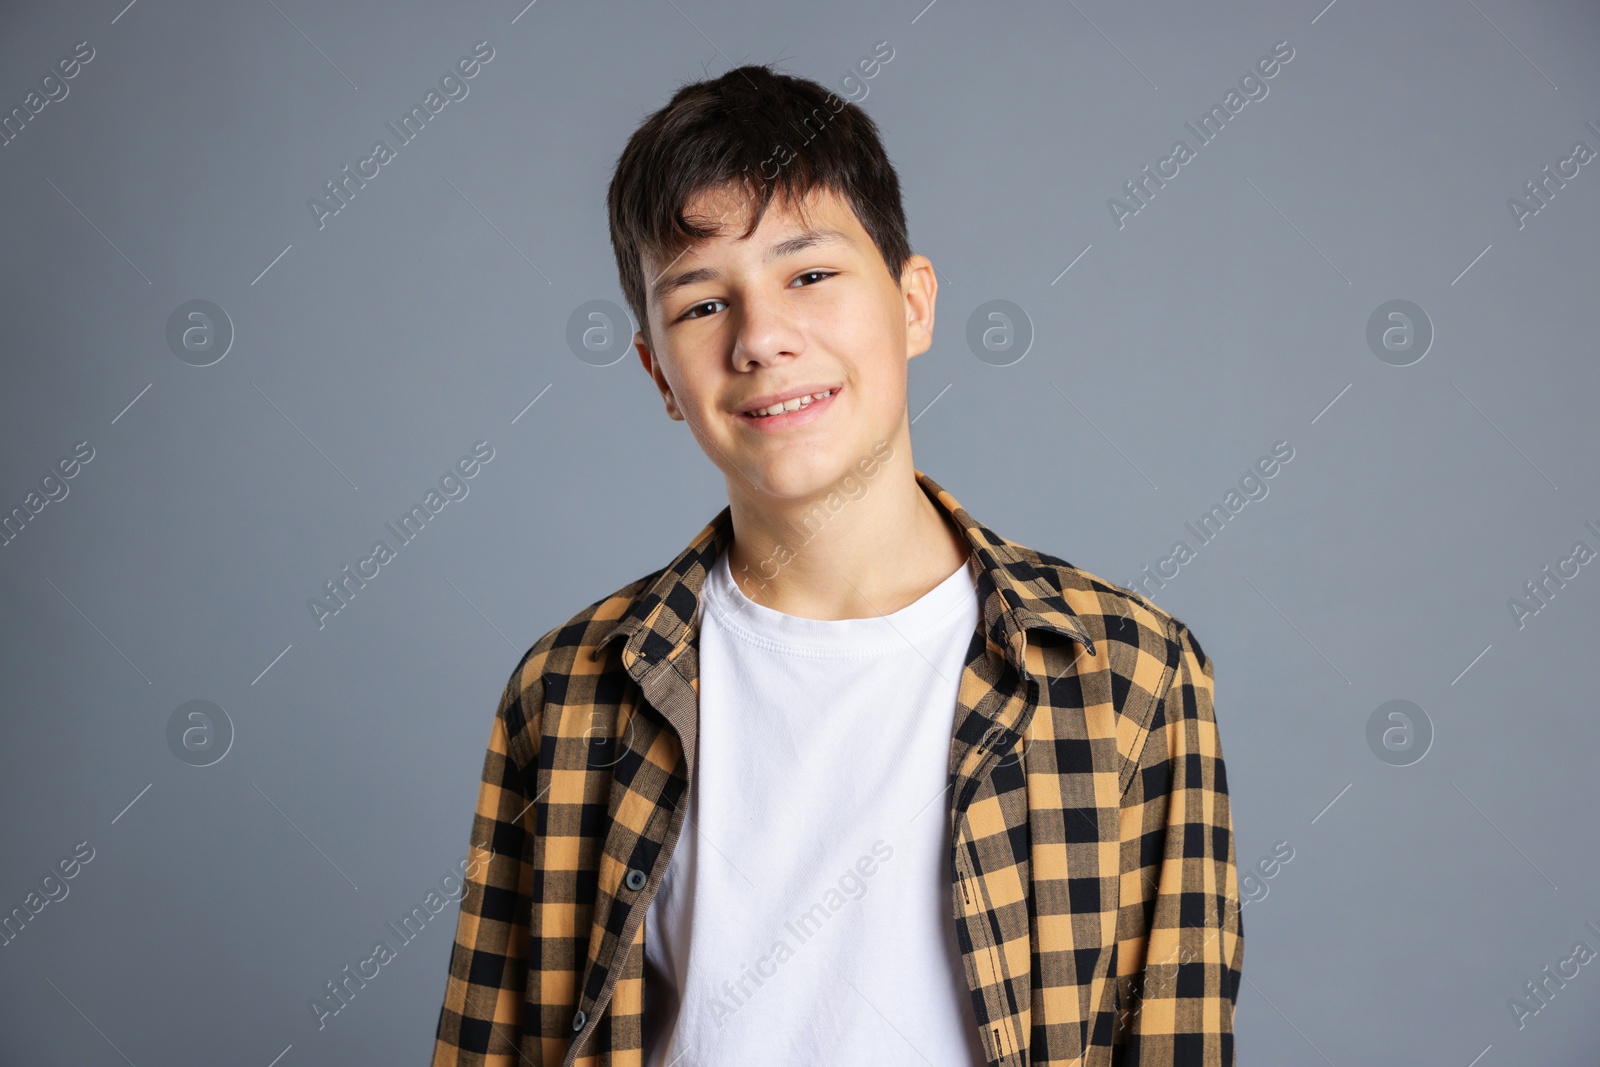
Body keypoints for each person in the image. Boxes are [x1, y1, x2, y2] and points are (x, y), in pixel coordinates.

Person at [431, 62, 1242, 1067]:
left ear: (912, 304)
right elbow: (491, 1044)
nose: (762, 338)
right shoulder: (568, 694)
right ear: (660, 377)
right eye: (698, 306)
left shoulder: (1127, 671)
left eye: (808, 273)